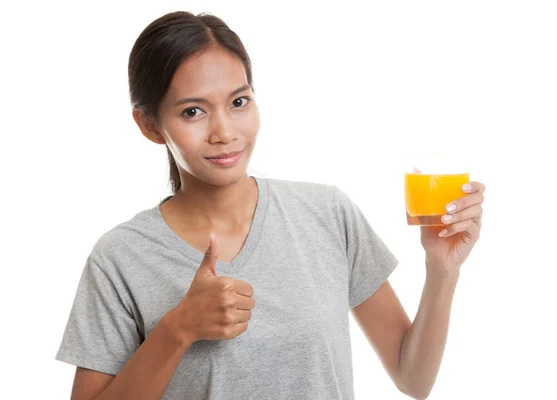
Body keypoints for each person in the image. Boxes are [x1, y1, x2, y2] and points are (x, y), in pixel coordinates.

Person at [55, 11, 486, 400]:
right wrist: (178, 328)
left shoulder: (327, 214)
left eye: (238, 102)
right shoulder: (120, 258)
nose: (224, 131)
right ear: (150, 125)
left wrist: (442, 270)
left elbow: (414, 379)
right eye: (192, 112)